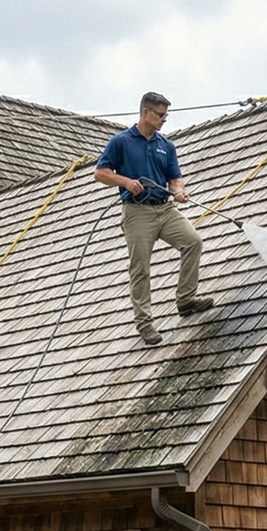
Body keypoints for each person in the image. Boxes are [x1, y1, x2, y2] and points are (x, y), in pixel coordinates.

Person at [94, 92, 214, 345]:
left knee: (193, 242)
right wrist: (126, 181)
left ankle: (186, 300)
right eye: (161, 115)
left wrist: (179, 190)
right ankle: (145, 322)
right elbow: (101, 173)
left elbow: (175, 177)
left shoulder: (166, 145)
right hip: (137, 212)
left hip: (164, 209)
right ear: (145, 113)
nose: (164, 120)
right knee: (140, 267)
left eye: (166, 115)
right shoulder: (121, 142)